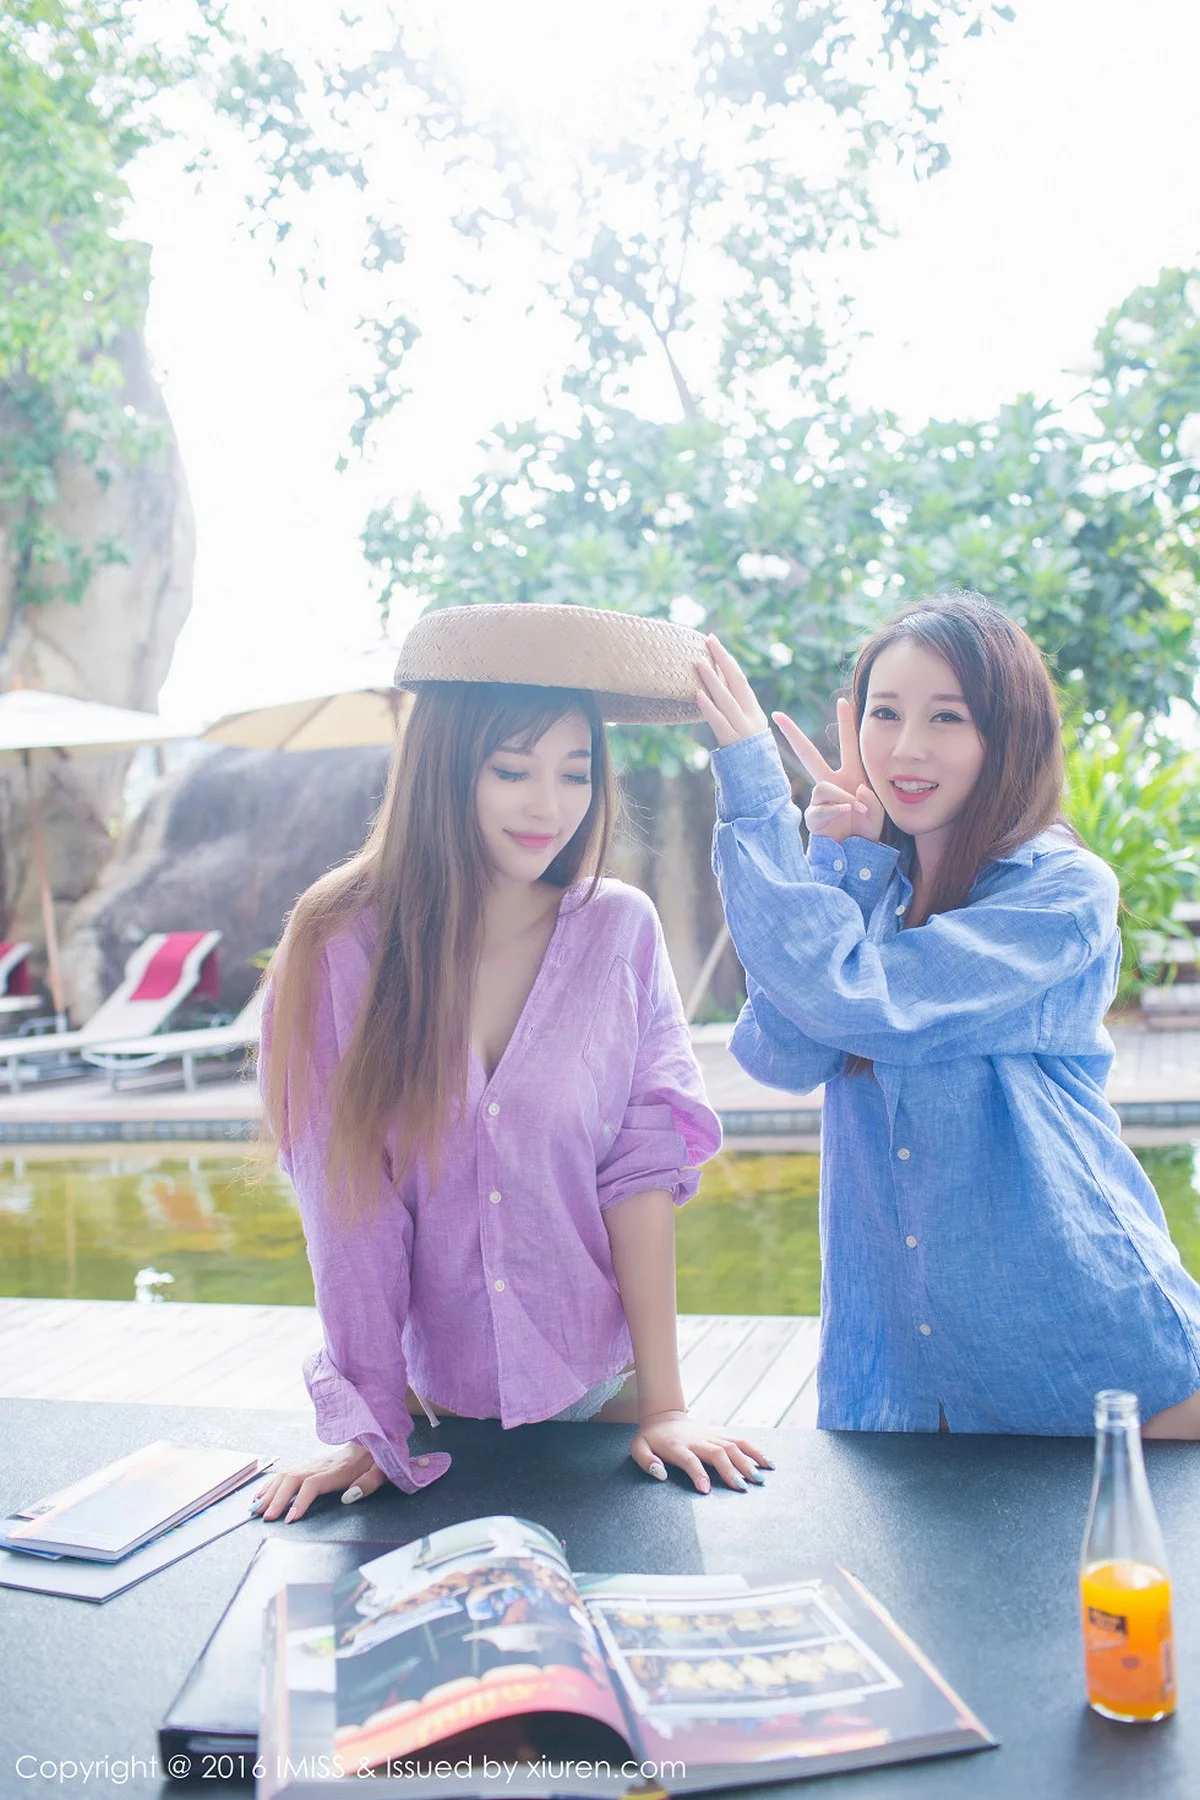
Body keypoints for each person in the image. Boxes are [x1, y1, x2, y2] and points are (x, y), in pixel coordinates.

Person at [254, 602, 771, 1523]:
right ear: (446, 768)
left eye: (575, 772)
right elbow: (346, 1205)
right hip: (433, 1418)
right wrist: (370, 1423)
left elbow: (639, 1174)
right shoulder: (340, 941)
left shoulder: (619, 930)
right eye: (511, 769)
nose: (550, 806)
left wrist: (666, 1406)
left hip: (603, 1399)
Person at [695, 591, 1200, 1438]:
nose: (907, 749)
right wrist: (842, 863)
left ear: (1008, 737)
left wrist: (753, 786)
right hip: (903, 1381)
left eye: (948, 717)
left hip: (1095, 1361)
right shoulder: (872, 888)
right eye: (885, 713)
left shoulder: (1062, 892)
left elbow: (859, 996)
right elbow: (783, 1054)